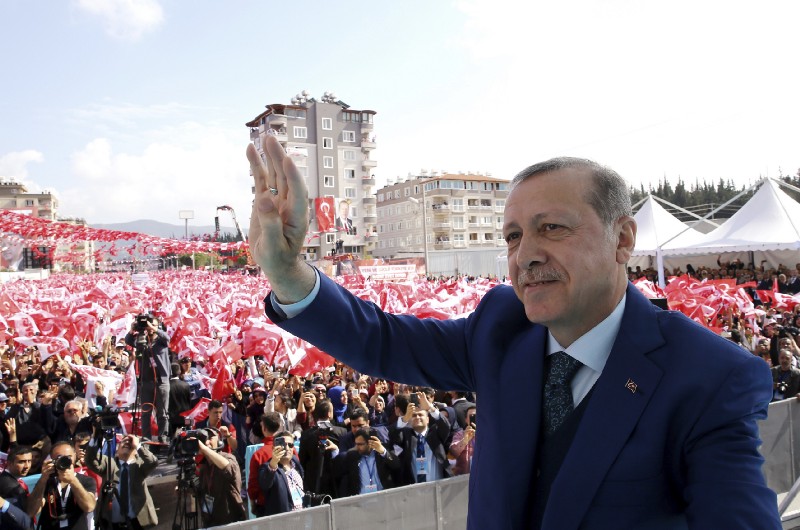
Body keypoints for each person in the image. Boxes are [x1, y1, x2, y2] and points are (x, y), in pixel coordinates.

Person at [247, 135, 781, 529]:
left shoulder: (709, 378)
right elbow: (381, 340)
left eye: (552, 228)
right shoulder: (500, 328)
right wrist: (288, 274)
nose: (526, 255)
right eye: (513, 236)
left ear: (622, 240)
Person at [85, 430, 158, 529]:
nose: (127, 443)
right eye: (124, 441)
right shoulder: (109, 463)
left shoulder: (139, 465)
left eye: (130, 443)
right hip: (112, 523)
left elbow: (153, 462)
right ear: (117, 450)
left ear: (136, 451)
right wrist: (95, 437)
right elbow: (90, 460)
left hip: (136, 522)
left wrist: (138, 445)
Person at [27, 441, 97, 530]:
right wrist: (43, 479)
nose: (65, 460)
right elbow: (31, 512)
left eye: (68, 457)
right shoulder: (46, 482)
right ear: (52, 459)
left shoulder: (86, 480)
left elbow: (89, 507)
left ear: (75, 456)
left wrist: (73, 480)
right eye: (59, 458)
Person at [125, 316, 171, 443]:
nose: (149, 327)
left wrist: (153, 328)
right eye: (148, 325)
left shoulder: (161, 341)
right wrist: (132, 329)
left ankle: (163, 437)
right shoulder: (142, 340)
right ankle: (146, 438)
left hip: (161, 381)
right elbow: (128, 340)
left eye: (153, 325)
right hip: (146, 381)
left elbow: (167, 338)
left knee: (162, 412)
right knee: (146, 412)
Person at [195, 427, 246, 526]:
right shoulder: (204, 467)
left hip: (231, 520)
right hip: (212, 520)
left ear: (219, 441)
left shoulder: (227, 457)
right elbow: (201, 490)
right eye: (204, 439)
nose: (207, 442)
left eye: (210, 438)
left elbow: (228, 469)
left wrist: (205, 449)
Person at [336, 429, 398, 497]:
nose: (357, 447)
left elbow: (396, 465)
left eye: (360, 444)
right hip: (362, 498)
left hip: (384, 496)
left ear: (371, 443)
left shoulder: (382, 453)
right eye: (356, 444)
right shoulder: (352, 456)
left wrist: (383, 452)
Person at [257, 431, 305, 516]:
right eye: (283, 445)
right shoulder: (268, 467)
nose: (287, 448)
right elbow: (265, 484)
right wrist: (273, 463)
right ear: (273, 448)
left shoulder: (295, 462)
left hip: (302, 515)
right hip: (283, 519)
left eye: (290, 445)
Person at [0, 445, 34, 530]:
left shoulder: (15, 480)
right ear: (9, 463)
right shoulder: (9, 486)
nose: (27, 466)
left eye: (29, 461)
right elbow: (25, 515)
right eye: (21, 462)